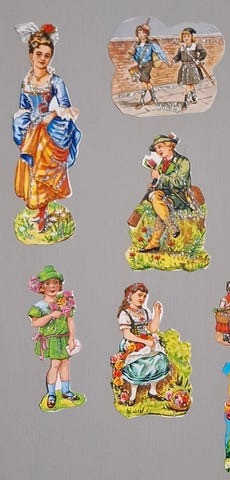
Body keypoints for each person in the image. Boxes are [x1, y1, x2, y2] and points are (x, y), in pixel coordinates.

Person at [13, 22, 81, 232]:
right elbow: (24, 107)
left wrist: (52, 115)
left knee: (43, 170)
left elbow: (66, 106)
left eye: (47, 55)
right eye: (39, 54)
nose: (43, 59)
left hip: (50, 131)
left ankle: (44, 215)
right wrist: (23, 122)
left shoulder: (56, 81)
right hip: (31, 131)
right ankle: (41, 212)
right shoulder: (26, 82)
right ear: (31, 55)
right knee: (32, 170)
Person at [28, 265, 80, 409]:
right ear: (41, 287)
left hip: (64, 338)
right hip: (51, 340)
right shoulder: (40, 306)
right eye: (48, 283)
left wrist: (71, 338)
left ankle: (66, 390)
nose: (52, 286)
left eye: (56, 282)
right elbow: (35, 323)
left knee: (65, 363)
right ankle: (51, 393)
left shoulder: (64, 302)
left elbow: (70, 320)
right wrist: (51, 315)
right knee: (55, 364)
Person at [116, 283, 170, 406]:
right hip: (133, 342)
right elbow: (127, 334)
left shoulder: (144, 311)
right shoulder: (125, 313)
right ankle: (133, 395)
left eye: (144, 296)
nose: (142, 298)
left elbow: (152, 329)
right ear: (130, 295)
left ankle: (153, 390)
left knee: (159, 358)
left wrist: (157, 313)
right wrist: (145, 342)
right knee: (138, 365)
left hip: (147, 340)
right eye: (139, 295)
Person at [140, 133, 192, 252]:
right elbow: (161, 183)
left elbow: (181, 182)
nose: (158, 150)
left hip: (179, 195)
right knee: (154, 196)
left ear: (170, 146)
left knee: (162, 208)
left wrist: (160, 177)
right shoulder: (161, 164)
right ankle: (171, 225)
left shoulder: (183, 161)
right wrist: (154, 184)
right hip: (164, 194)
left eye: (160, 146)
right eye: (156, 148)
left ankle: (154, 243)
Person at [127, 19, 169, 109]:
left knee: (143, 83)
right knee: (147, 82)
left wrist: (165, 60)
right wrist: (132, 56)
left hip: (147, 65)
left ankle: (142, 102)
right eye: (139, 33)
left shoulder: (151, 44)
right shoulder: (137, 45)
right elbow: (137, 57)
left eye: (142, 33)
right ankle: (154, 99)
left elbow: (159, 52)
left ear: (146, 34)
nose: (141, 35)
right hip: (140, 65)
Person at [171, 27, 207, 107]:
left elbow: (204, 52)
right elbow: (178, 56)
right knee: (190, 85)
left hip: (192, 68)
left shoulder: (195, 46)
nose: (186, 38)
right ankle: (194, 98)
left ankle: (185, 102)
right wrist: (173, 60)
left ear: (191, 37)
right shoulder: (182, 48)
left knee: (188, 85)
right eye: (184, 36)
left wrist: (198, 59)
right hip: (184, 68)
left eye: (188, 36)